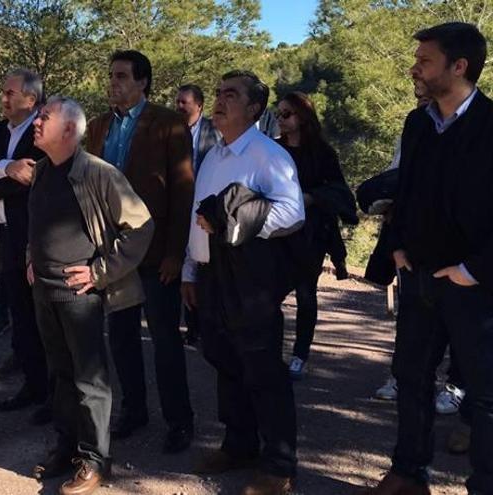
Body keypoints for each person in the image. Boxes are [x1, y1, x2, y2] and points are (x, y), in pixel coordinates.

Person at [364, 22, 493, 495]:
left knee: (484, 395)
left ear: (459, 67)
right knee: (410, 378)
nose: (414, 68)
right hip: (418, 276)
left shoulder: (490, 126)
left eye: (425, 61)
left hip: (476, 287)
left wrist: (473, 271)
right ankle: (406, 475)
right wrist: (397, 246)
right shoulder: (417, 123)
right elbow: (408, 189)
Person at [182, 70, 305, 495]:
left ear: (254, 109)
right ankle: (239, 444)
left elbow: (292, 213)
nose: (219, 100)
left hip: (250, 273)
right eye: (218, 92)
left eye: (230, 94)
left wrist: (239, 223)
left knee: (262, 368)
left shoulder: (267, 155)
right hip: (212, 273)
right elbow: (197, 220)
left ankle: (278, 464)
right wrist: (190, 270)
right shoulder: (214, 156)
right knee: (223, 358)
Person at [28, 96, 153, 495]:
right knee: (60, 374)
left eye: (44, 117)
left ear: (68, 130)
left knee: (89, 381)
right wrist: (31, 258)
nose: (36, 121)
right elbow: (37, 223)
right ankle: (66, 447)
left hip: (79, 294)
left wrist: (101, 272)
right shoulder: (42, 172)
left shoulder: (99, 173)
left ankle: (95, 460)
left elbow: (141, 226)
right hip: (44, 292)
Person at [85, 50, 196, 453]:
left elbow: (183, 193)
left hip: (155, 254)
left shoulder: (169, 124)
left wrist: (174, 253)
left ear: (143, 82)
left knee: (166, 341)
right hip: (112, 254)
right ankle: (134, 411)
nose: (113, 82)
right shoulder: (97, 127)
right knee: (121, 338)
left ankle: (179, 421)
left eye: (121, 76)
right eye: (110, 75)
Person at [0, 68, 50, 424]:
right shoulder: (1, 129)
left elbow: (34, 181)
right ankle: (32, 386)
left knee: (41, 318)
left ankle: (51, 394)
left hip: (32, 239)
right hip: (4, 237)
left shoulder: (41, 130)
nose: (3, 98)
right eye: (2, 92)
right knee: (19, 315)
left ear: (30, 100)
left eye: (10, 93)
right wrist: (6, 167)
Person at [274, 91, 357, 380]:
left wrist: (312, 198)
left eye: (286, 114)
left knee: (306, 294)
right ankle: (272, 350)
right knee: (271, 291)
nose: (280, 120)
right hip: (277, 232)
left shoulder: (322, 152)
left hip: (311, 233)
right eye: (278, 114)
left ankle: (300, 354)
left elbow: (340, 191)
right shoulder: (272, 150)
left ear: (302, 116)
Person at [175, 84, 219, 347]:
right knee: (183, 265)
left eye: (184, 102)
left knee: (201, 264)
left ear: (199, 105)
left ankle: (205, 326)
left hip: (204, 207)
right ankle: (191, 328)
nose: (179, 106)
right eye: (177, 102)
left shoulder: (215, 132)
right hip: (178, 205)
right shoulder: (170, 130)